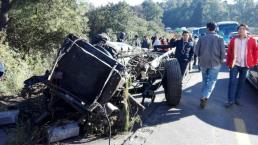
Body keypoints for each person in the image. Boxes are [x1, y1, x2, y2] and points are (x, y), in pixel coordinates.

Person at [225, 24, 258, 108]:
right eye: (239, 29)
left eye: (243, 29)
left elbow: (255, 52)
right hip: (235, 64)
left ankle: (237, 99)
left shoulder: (252, 40)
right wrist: (228, 63)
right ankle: (230, 101)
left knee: (241, 83)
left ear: (247, 30)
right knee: (232, 82)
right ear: (238, 31)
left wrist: (254, 62)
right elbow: (229, 52)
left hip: (245, 65)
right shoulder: (234, 40)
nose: (241, 30)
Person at [194, 22, 225, 109]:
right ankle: (205, 96)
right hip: (216, 63)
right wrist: (221, 61)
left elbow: (196, 52)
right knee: (212, 81)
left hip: (203, 63)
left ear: (207, 28)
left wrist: (201, 56)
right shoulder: (220, 38)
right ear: (215, 29)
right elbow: (223, 53)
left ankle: (203, 96)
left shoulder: (202, 38)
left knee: (204, 80)